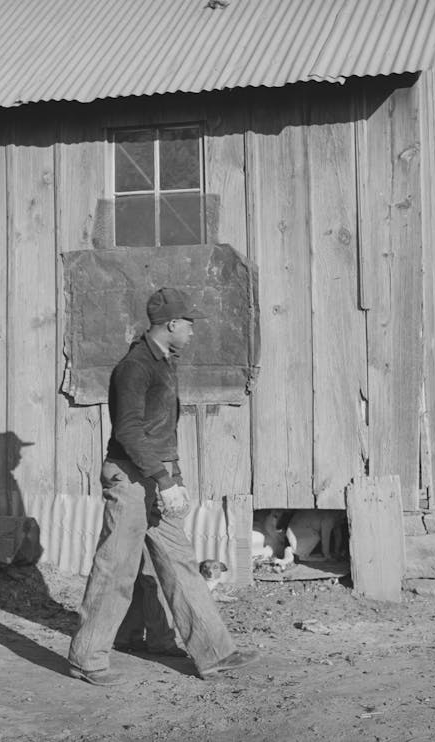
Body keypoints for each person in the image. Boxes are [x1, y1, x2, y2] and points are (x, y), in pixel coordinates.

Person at [68, 287, 259, 685]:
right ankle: (88, 658)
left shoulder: (163, 362)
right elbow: (129, 430)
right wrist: (163, 479)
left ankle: (215, 653)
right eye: (189, 324)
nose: (192, 332)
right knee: (116, 568)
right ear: (171, 324)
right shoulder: (135, 366)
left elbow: (158, 431)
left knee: (181, 565)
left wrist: (173, 478)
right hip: (132, 478)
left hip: (157, 477)